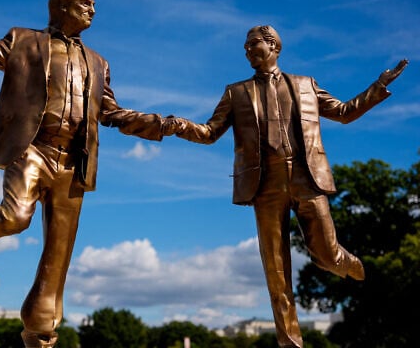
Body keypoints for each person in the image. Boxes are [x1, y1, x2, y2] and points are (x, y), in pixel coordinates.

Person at [0, 0, 182, 347]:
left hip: (73, 163)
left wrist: (159, 125)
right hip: (31, 150)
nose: (92, 10)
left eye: (93, 4)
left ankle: (41, 336)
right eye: (84, 3)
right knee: (15, 217)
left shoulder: (98, 62)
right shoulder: (23, 40)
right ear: (61, 6)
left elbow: (111, 113)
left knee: (57, 257)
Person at [174, 25, 408, 348]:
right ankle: (291, 344)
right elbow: (209, 132)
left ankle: (347, 263)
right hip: (264, 186)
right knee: (276, 271)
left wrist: (378, 87)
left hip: (306, 179)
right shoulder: (236, 93)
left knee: (326, 254)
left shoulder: (305, 85)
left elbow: (343, 113)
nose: (247, 50)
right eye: (244, 46)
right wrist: (179, 125)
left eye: (252, 43)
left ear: (273, 46)